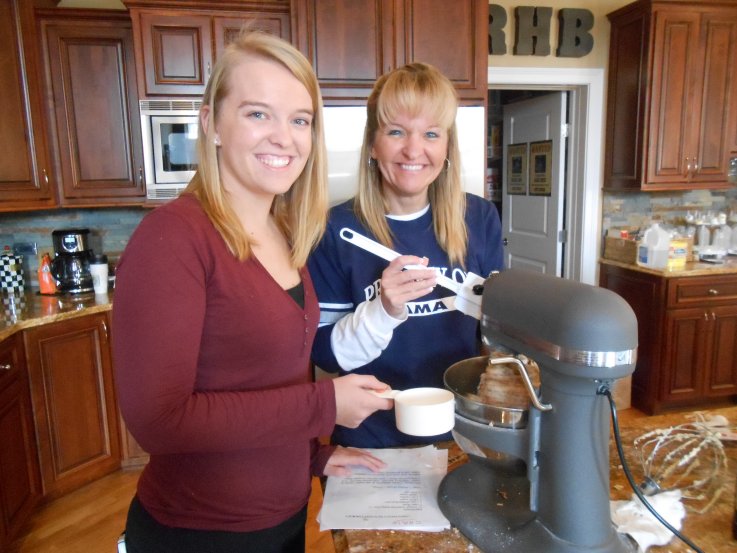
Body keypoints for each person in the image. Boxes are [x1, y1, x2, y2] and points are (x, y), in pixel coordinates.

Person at [112, 31, 392, 553]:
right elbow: (160, 422)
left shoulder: (284, 234)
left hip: (283, 519)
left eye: (300, 119)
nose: (284, 137)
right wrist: (324, 404)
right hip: (199, 533)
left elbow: (268, 376)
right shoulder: (173, 239)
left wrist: (314, 456)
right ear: (210, 124)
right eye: (258, 114)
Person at [308, 62, 504, 449]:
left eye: (431, 134)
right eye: (396, 131)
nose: (414, 150)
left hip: (461, 432)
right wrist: (384, 309)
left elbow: (497, 331)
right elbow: (326, 355)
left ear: (446, 145)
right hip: (371, 436)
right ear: (372, 142)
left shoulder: (479, 217)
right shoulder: (332, 229)